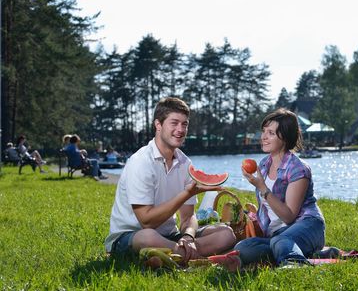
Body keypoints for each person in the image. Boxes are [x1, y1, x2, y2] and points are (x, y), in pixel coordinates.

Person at [104, 97, 236, 267]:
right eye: (174, 123)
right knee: (148, 236)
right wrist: (187, 194)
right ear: (158, 125)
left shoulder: (185, 164)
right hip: (130, 237)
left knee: (226, 234)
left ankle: (176, 254)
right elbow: (146, 221)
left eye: (184, 124)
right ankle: (193, 257)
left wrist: (188, 236)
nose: (180, 130)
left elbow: (188, 217)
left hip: (170, 236)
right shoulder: (141, 162)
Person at [215, 108, 325, 271]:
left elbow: (288, 216)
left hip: (308, 226)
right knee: (243, 247)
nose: (264, 137)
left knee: (281, 241)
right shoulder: (264, 165)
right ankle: (319, 254)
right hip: (277, 234)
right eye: (264, 131)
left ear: (285, 137)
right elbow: (267, 212)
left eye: (271, 133)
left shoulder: (298, 169)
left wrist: (262, 188)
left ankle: (294, 264)